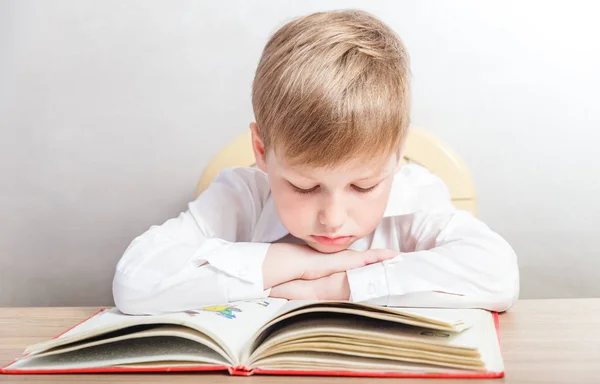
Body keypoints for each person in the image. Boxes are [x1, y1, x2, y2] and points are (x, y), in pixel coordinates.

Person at [112, 9, 519, 315]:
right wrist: (299, 264)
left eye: (363, 186)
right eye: (304, 187)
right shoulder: (240, 197)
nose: (333, 219)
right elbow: (135, 281)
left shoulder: (416, 197)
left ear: (397, 154)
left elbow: (497, 273)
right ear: (261, 151)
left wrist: (335, 287)